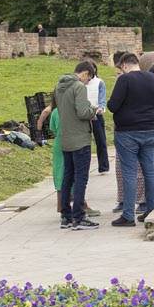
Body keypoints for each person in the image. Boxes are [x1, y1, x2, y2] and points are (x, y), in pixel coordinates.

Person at [107, 52, 154, 227]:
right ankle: (152, 210)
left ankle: (128, 215)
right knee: (149, 171)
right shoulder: (153, 79)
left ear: (124, 65)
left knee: (129, 173)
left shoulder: (124, 80)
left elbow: (112, 106)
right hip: (150, 130)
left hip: (128, 133)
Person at [54, 61, 99, 230]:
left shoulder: (59, 86)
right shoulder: (79, 87)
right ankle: (79, 217)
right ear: (86, 73)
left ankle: (65, 215)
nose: (88, 82)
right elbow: (82, 112)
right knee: (81, 178)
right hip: (80, 139)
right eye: (89, 78)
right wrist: (94, 110)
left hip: (65, 138)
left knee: (68, 176)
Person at [86, 62, 110, 174]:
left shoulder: (99, 82)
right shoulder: (80, 83)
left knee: (101, 140)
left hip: (97, 114)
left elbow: (102, 98)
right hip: (84, 115)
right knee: (84, 143)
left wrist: (101, 108)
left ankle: (103, 166)